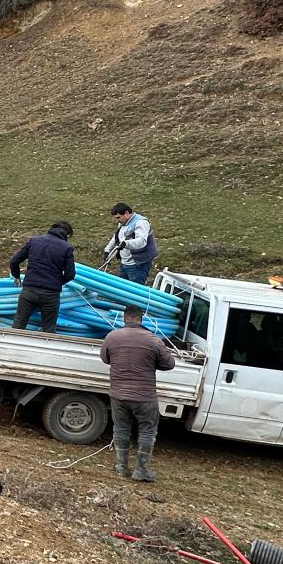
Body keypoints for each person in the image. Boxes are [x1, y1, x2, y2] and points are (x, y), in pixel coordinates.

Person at [101, 304, 176, 481]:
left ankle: (121, 467)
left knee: (120, 428)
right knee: (148, 431)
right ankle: (141, 470)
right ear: (141, 319)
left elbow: (105, 358)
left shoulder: (112, 337)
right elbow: (169, 364)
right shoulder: (153, 340)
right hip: (144, 395)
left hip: (118, 394)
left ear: (124, 318)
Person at [9, 222, 75, 332]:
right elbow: (70, 274)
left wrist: (16, 276)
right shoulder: (66, 247)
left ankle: (10, 347)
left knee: (19, 324)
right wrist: (57, 282)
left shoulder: (34, 240)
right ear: (67, 234)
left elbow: (14, 261)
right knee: (48, 329)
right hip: (50, 295)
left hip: (29, 290)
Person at [104, 203, 158, 285]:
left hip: (138, 264)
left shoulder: (141, 222)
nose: (117, 220)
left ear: (126, 213)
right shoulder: (123, 222)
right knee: (122, 287)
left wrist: (126, 244)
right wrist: (107, 250)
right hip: (125, 262)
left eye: (118, 217)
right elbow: (116, 237)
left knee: (136, 290)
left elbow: (142, 241)